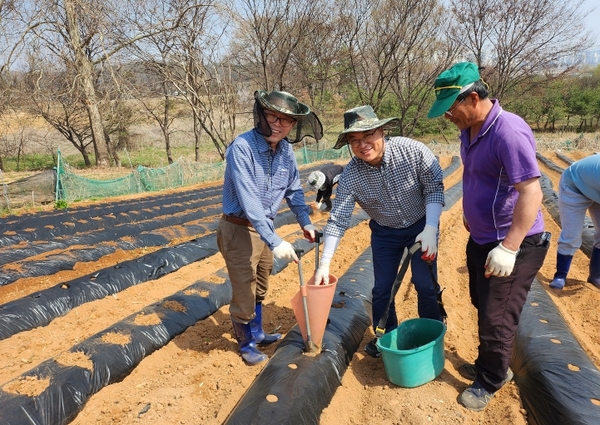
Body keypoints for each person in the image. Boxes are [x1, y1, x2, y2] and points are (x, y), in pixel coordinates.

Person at [427, 62, 550, 411]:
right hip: (481, 238)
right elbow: (481, 178)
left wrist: (509, 247)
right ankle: (489, 364)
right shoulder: (469, 128)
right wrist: (472, 215)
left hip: (514, 244)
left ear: (474, 97)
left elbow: (530, 192)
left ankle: (492, 379)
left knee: (497, 317)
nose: (448, 116)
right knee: (482, 305)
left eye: (451, 108)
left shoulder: (507, 131)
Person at [312, 105, 446, 359]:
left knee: (424, 283)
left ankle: (433, 329)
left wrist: (430, 227)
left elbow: (434, 188)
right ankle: (386, 335)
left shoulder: (413, 151)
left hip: (421, 224)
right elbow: (338, 218)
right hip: (385, 232)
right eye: (354, 140)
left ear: (381, 131)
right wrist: (324, 264)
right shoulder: (351, 174)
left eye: (368, 136)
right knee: (382, 289)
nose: (362, 145)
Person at [217, 90, 322, 365]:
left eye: (286, 120)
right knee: (245, 288)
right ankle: (247, 343)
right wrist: (276, 241)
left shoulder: (286, 151)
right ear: (261, 115)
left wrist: (306, 222)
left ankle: (258, 332)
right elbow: (250, 202)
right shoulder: (242, 148)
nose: (278, 124)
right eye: (272, 116)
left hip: (265, 229)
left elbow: (294, 191)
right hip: (239, 228)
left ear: (293, 125)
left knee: (261, 282)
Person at [549, 153, 600, 289]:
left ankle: (596, 276)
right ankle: (560, 275)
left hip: (596, 186)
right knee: (572, 235)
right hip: (575, 185)